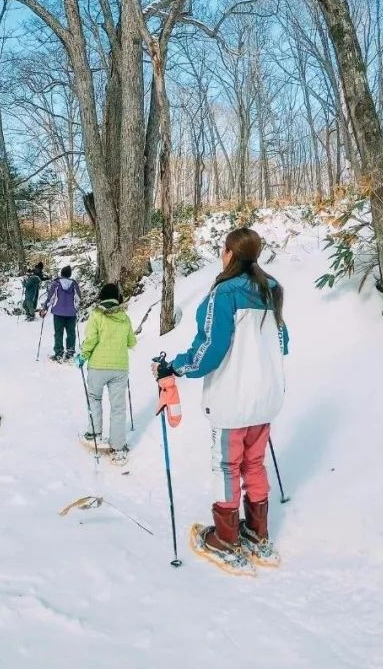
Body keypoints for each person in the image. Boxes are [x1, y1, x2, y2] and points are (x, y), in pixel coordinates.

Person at [155, 227, 289, 572]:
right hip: (266, 398)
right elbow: (282, 342)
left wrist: (177, 366)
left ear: (230, 253)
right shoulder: (271, 289)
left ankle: (226, 537)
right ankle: (258, 532)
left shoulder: (224, 293)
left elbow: (210, 350)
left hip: (233, 399)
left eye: (223, 249)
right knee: (254, 464)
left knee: (227, 466)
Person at [76, 283, 136, 465]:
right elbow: (131, 342)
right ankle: (118, 447)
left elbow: (91, 340)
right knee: (118, 407)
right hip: (119, 368)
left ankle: (94, 432)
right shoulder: (124, 317)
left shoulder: (97, 315)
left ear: (102, 296)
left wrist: (82, 356)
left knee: (94, 398)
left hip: (98, 366)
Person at [40, 266, 82, 361]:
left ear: (61, 273)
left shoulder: (56, 283)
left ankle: (58, 353)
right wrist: (76, 307)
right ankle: (70, 352)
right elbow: (78, 298)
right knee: (71, 333)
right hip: (71, 313)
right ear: (70, 274)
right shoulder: (74, 284)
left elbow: (51, 298)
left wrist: (45, 308)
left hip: (58, 313)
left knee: (58, 333)